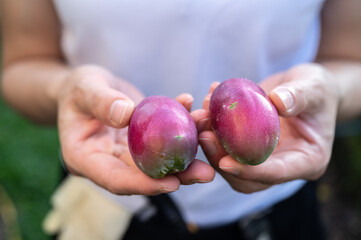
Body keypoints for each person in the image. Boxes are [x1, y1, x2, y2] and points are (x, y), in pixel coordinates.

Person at [1, 0, 361, 239]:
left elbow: (351, 62)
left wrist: (331, 89)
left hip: (275, 208)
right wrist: (65, 89)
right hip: (109, 208)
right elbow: (21, 64)